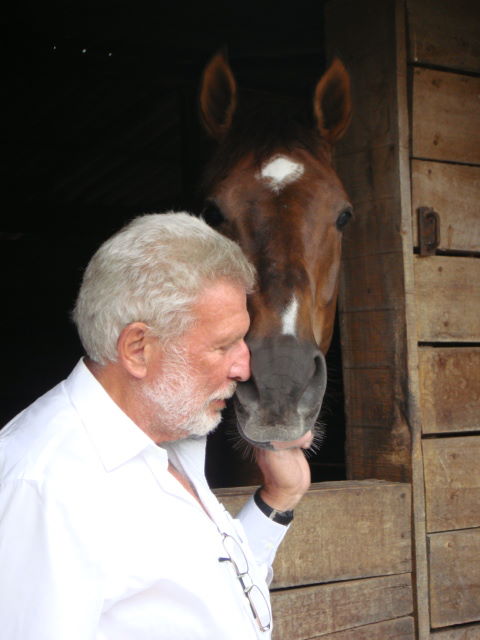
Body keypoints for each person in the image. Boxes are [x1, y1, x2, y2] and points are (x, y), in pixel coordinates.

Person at [0, 212, 311, 639]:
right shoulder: (44, 487)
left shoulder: (169, 438)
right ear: (138, 349)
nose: (244, 367)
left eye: (242, 339)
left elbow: (210, 598)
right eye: (223, 346)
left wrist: (278, 499)